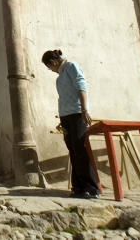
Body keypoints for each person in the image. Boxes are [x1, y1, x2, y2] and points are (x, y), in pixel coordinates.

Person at [42, 49, 100, 199]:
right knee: (73, 150)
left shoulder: (71, 66)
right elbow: (63, 97)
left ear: (53, 62)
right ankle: (78, 187)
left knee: (81, 149)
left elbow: (81, 86)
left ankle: (92, 187)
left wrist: (84, 109)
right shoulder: (60, 77)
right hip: (66, 116)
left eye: (49, 67)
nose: (51, 70)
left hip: (76, 113)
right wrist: (61, 118)